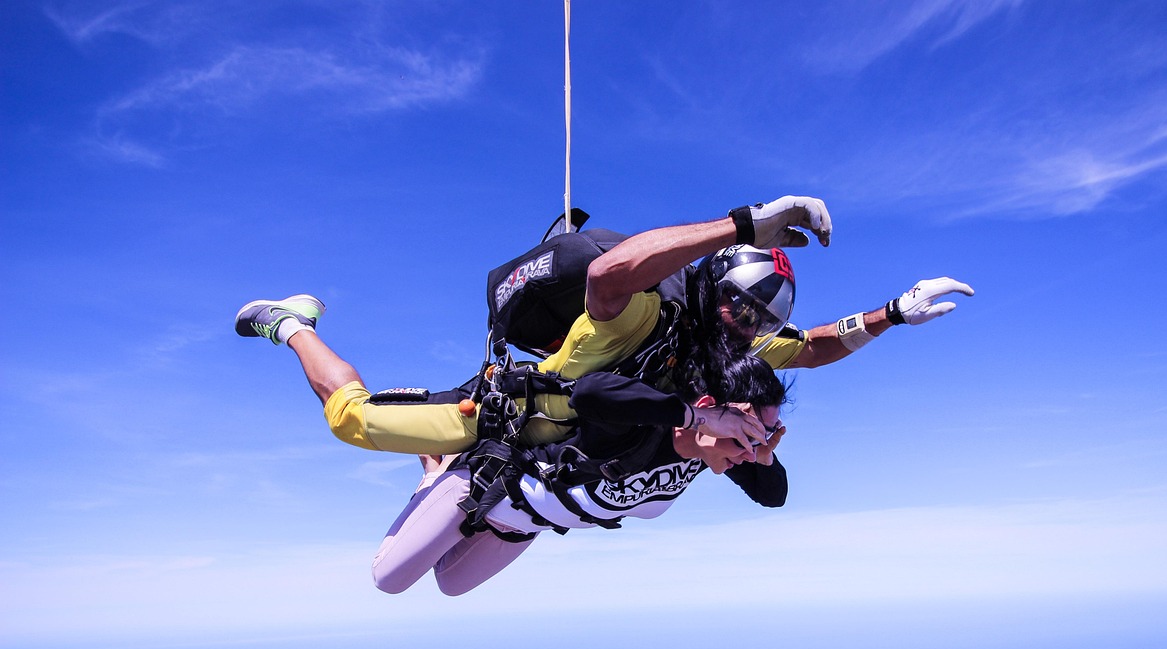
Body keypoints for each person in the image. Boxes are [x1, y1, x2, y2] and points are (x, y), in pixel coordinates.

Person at [235, 194, 973, 458]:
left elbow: (811, 346)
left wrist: (893, 315)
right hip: (504, 419)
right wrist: (741, 223)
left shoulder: (730, 344)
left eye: (755, 320)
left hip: (566, 443)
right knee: (353, 423)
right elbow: (609, 273)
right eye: (738, 305)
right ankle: (290, 324)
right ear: (713, 286)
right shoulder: (649, 311)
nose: (744, 325)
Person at [370, 355, 788, 596]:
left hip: (522, 525)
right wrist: (694, 416)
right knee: (389, 579)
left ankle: (435, 492)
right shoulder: (644, 425)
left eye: (762, 437)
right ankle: (301, 327)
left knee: (450, 584)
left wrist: (764, 456)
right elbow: (590, 393)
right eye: (746, 435)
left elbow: (774, 496)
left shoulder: (710, 456)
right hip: (485, 488)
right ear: (714, 412)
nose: (749, 449)